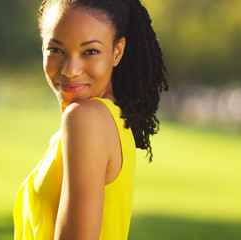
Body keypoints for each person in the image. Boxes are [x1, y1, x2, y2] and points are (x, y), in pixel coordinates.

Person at [13, 0, 168, 239]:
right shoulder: (111, 119)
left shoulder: (86, 119)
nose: (70, 69)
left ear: (117, 52)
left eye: (90, 51)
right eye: (56, 49)